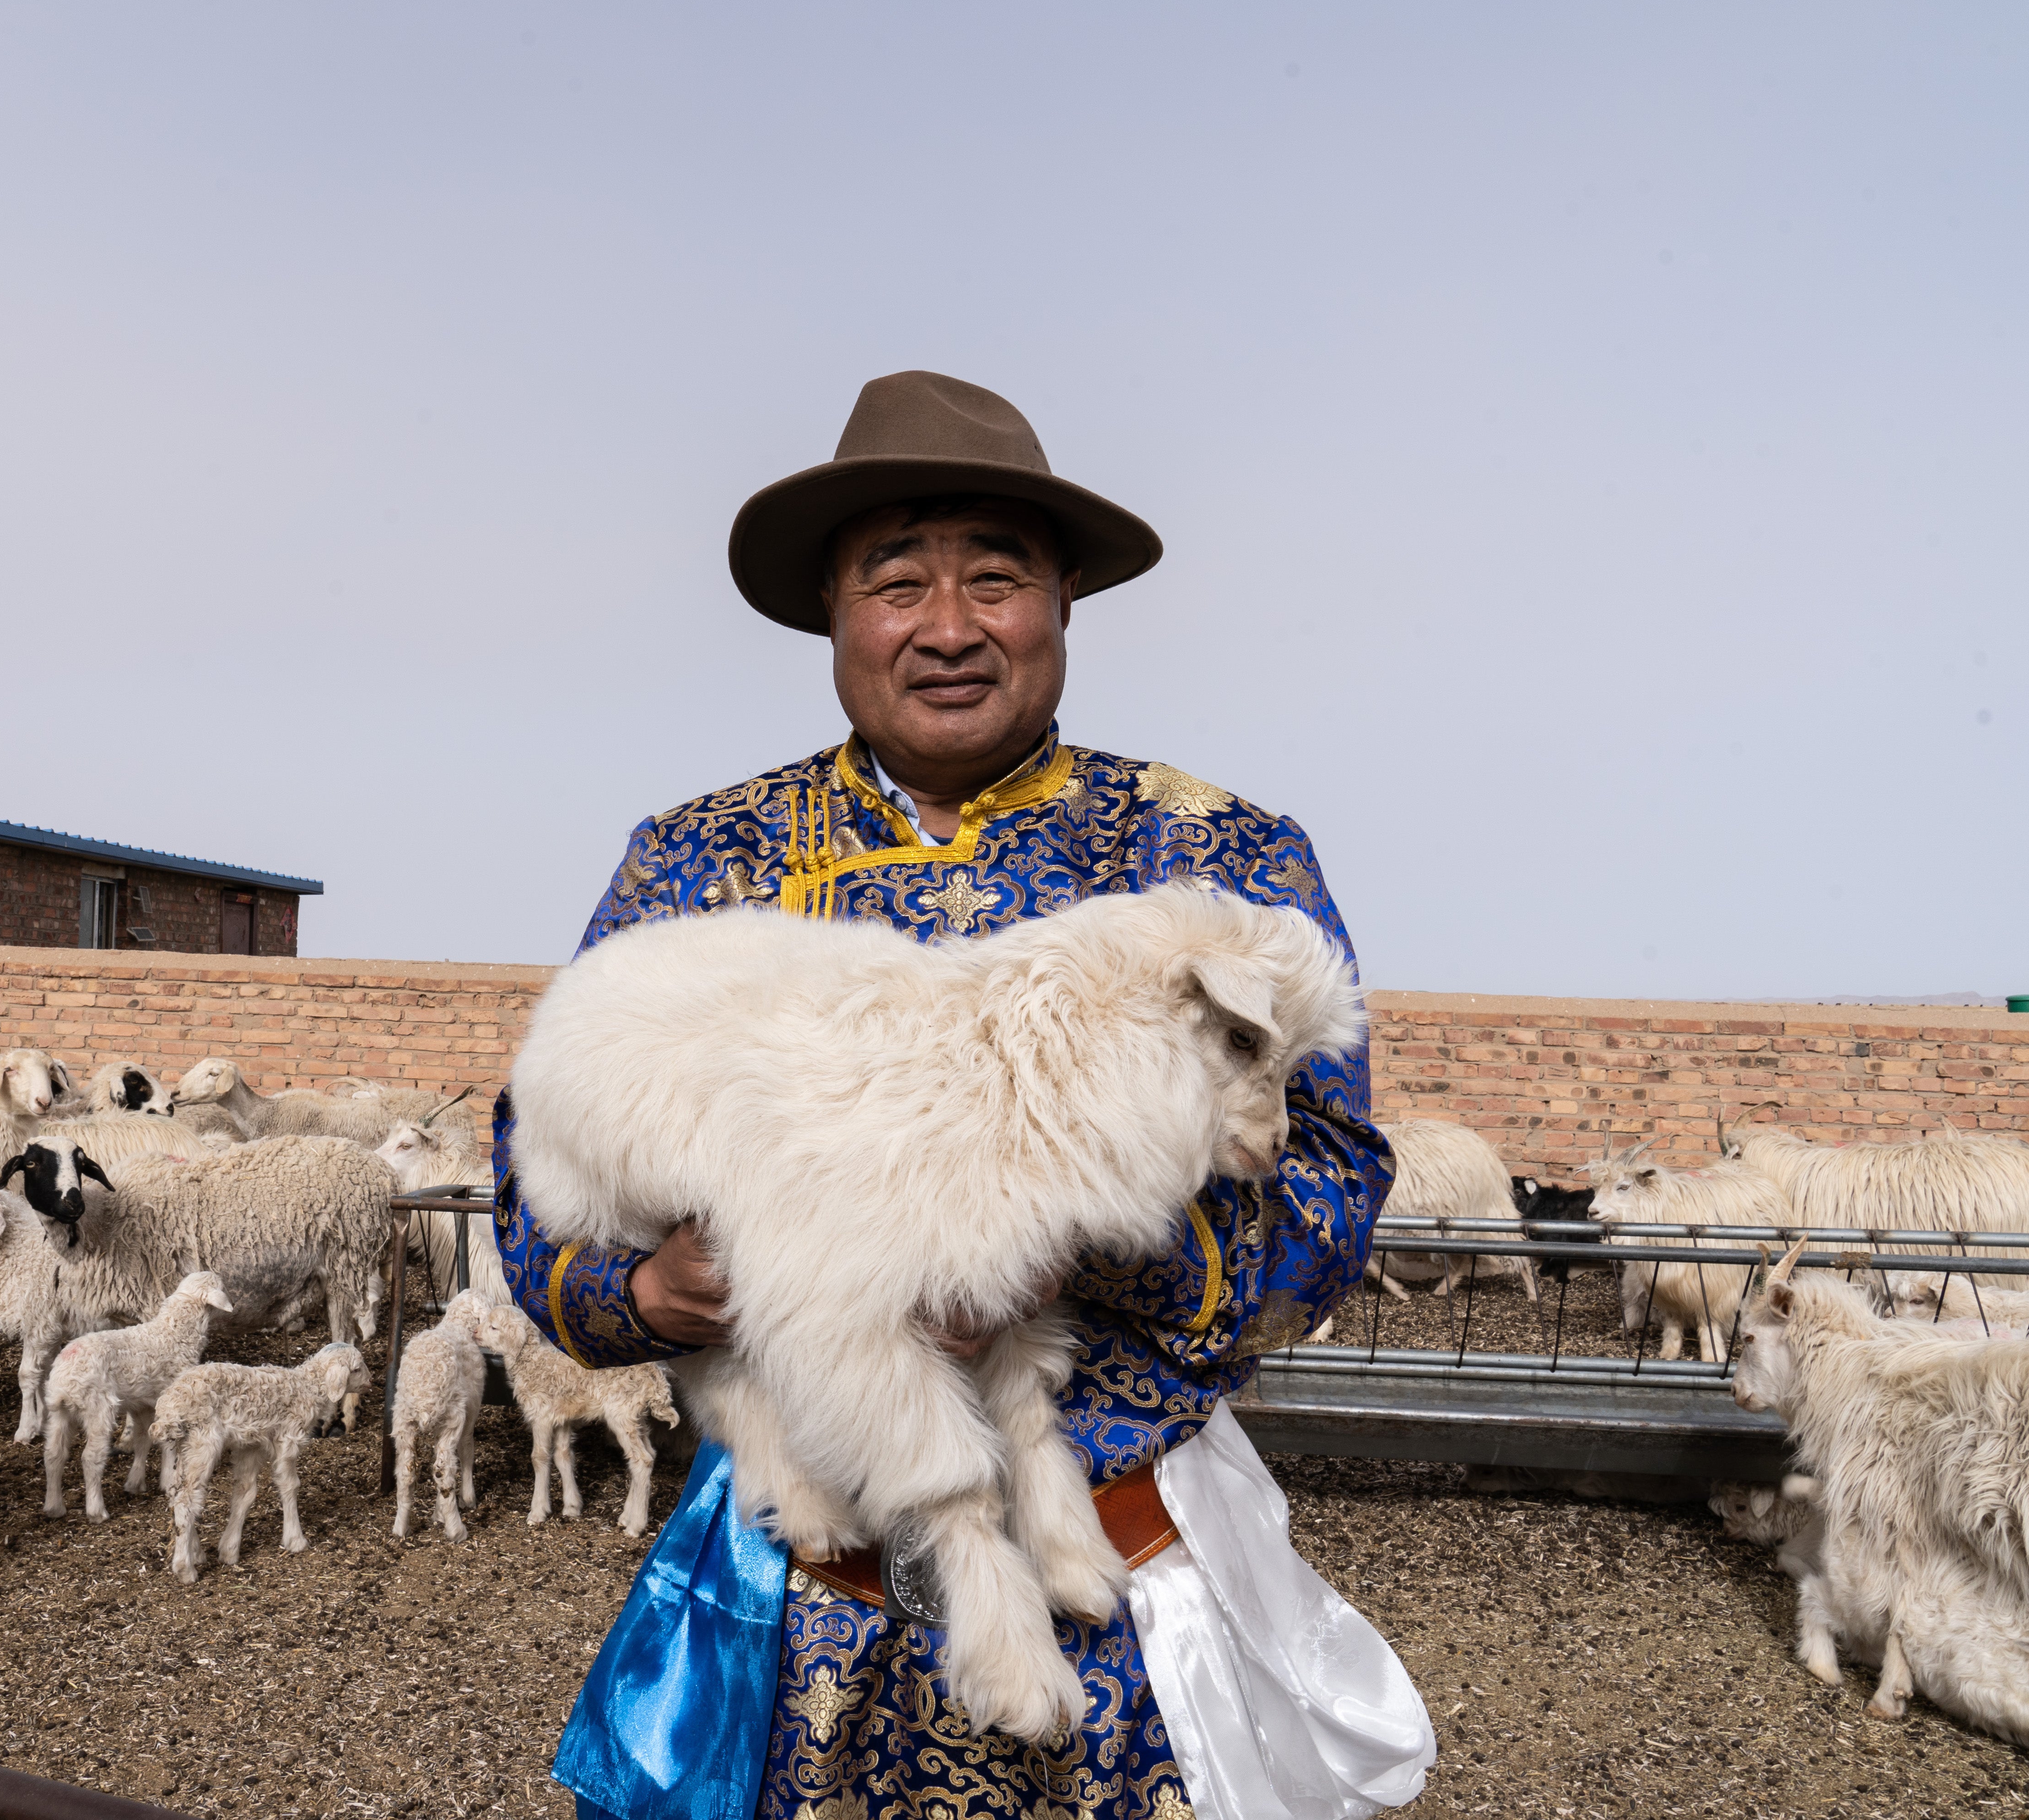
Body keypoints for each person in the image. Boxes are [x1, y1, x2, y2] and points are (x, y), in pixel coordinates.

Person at [496, 371, 1419, 1820]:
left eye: (997, 579)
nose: (947, 626)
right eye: (897, 581)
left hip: (1123, 1578)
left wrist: (1051, 1241)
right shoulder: (698, 864)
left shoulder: (1216, 865)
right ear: (834, 613)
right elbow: (536, 1210)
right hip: (790, 1586)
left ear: (1061, 606)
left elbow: (1332, 1197)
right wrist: (661, 1295)